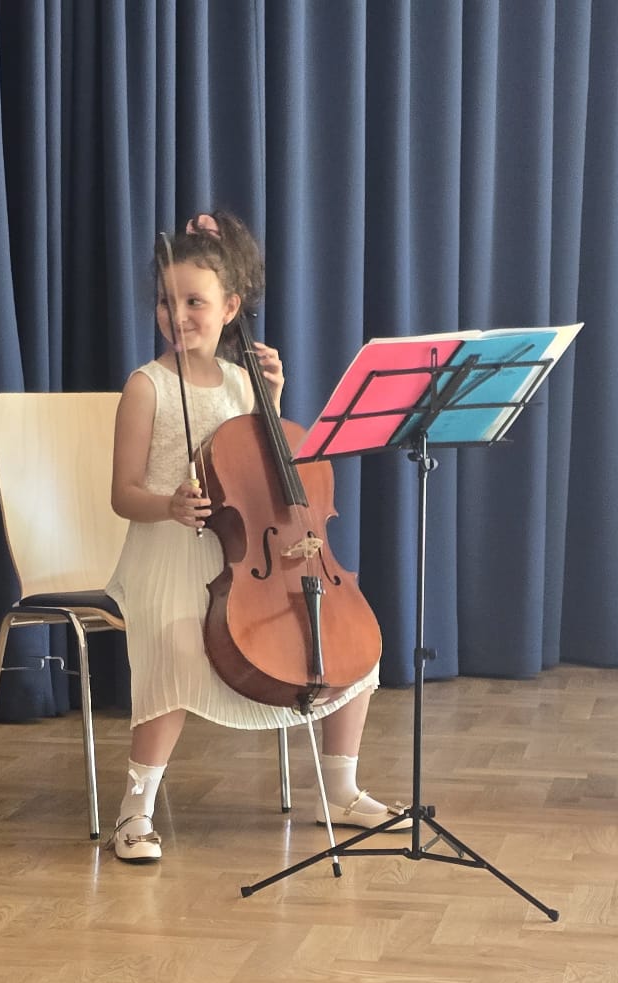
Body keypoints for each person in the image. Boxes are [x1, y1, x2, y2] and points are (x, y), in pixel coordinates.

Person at [103, 211, 395, 863]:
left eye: (195, 302)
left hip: (240, 554)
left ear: (231, 307)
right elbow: (123, 493)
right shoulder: (147, 387)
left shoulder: (243, 383)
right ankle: (135, 809)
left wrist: (272, 400)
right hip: (168, 549)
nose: (178, 315)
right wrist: (169, 505)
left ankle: (340, 790)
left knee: (355, 645)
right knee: (178, 647)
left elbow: (258, 478)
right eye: (166, 301)